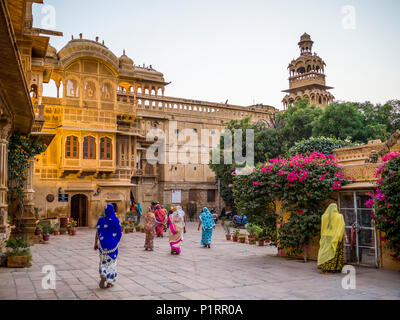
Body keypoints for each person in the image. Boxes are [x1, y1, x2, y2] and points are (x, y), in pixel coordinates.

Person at [94, 204, 122, 289]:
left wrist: (95, 243)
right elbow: (119, 233)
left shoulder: (101, 220)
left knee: (103, 261)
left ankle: (103, 272)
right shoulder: (115, 221)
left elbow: (98, 232)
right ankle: (109, 281)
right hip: (112, 245)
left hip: (102, 245)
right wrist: (115, 239)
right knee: (112, 262)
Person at [317, 202, 349, 273]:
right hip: (335, 237)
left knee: (325, 252)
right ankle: (334, 268)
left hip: (325, 237)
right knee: (334, 252)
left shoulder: (324, 216)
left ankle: (324, 267)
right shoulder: (339, 216)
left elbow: (322, 228)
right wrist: (346, 237)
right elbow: (342, 227)